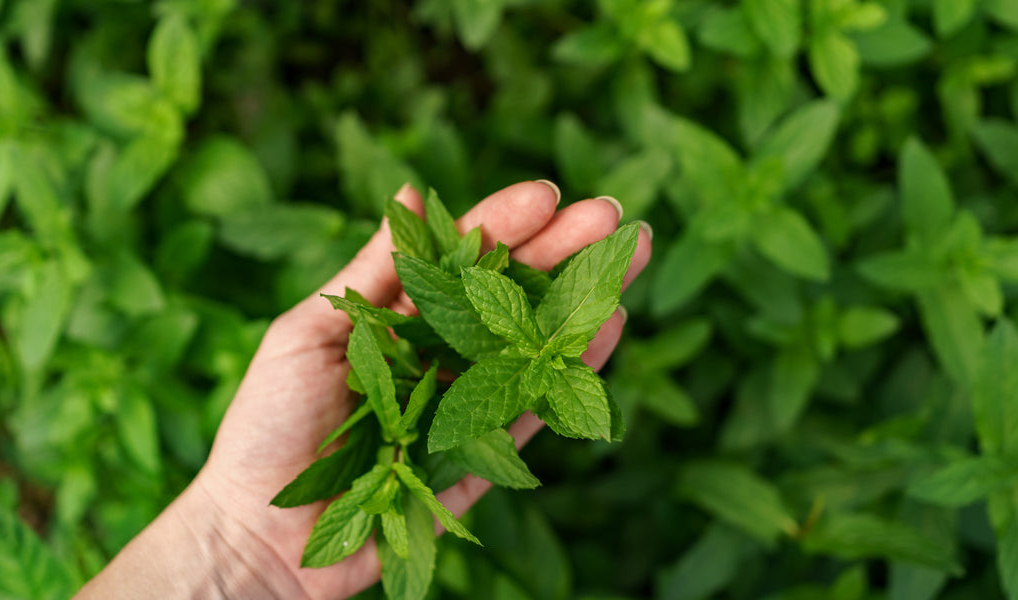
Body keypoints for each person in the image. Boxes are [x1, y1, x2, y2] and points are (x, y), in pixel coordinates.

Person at [73, 180, 653, 599]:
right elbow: (456, 412)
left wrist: (235, 550)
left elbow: (464, 404)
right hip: (458, 383)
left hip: (504, 352)